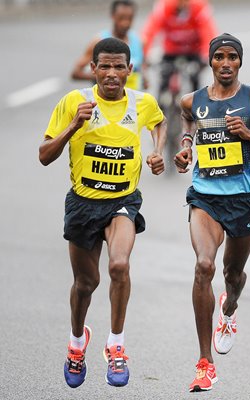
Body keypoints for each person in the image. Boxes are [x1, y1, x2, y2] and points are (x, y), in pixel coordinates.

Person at [174, 33, 250, 392]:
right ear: (210, 62)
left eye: (232, 57)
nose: (225, 63)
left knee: (233, 274)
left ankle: (229, 311)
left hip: (244, 200)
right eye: (219, 57)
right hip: (205, 199)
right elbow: (186, 118)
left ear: (240, 62)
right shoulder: (193, 100)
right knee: (204, 265)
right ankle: (204, 363)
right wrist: (186, 147)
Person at [39, 37, 167, 388]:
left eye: (118, 67)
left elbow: (159, 121)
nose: (112, 74)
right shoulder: (74, 102)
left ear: (130, 70)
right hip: (82, 203)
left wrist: (157, 151)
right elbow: (44, 155)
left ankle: (116, 346)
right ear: (92, 69)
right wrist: (72, 128)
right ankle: (77, 344)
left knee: (119, 265)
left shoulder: (142, 102)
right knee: (86, 283)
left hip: (122, 202)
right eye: (104, 66)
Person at [142, 0, 218, 95]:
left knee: (195, 82)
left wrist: (208, 55)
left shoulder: (199, 7)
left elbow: (208, 33)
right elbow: (150, 32)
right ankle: (162, 104)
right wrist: (144, 54)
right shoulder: (164, 6)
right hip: (171, 51)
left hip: (193, 51)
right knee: (164, 81)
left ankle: (196, 104)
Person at [71, 0, 146, 90]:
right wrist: (103, 76)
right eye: (121, 18)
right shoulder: (99, 41)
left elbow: (142, 67)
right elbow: (75, 73)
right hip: (105, 100)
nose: (125, 23)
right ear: (113, 16)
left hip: (133, 101)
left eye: (130, 18)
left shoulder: (139, 41)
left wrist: (144, 79)